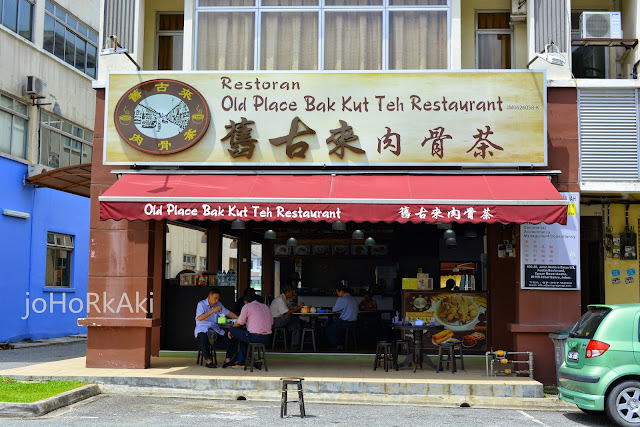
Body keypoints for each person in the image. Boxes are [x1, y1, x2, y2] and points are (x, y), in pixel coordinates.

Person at [228, 288, 273, 369]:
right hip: (267, 338)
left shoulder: (247, 307)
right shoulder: (266, 307)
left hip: (254, 337)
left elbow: (239, 323)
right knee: (243, 337)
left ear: (245, 301)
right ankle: (241, 361)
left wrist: (230, 330)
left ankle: (241, 362)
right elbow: (272, 322)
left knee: (233, 330)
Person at [194, 287, 239, 368]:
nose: (216, 301)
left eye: (218, 299)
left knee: (231, 337)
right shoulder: (201, 304)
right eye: (215, 298)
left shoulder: (218, 304)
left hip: (215, 330)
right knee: (204, 337)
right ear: (209, 297)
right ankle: (208, 361)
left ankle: (228, 359)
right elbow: (200, 318)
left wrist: (239, 319)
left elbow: (228, 312)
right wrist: (212, 311)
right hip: (203, 329)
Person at [326, 284, 359, 350]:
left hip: (345, 323)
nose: (337, 294)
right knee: (336, 325)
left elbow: (334, 310)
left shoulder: (342, 299)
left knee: (329, 329)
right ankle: (343, 343)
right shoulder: (353, 298)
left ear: (341, 291)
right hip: (354, 323)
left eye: (337, 292)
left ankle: (337, 345)